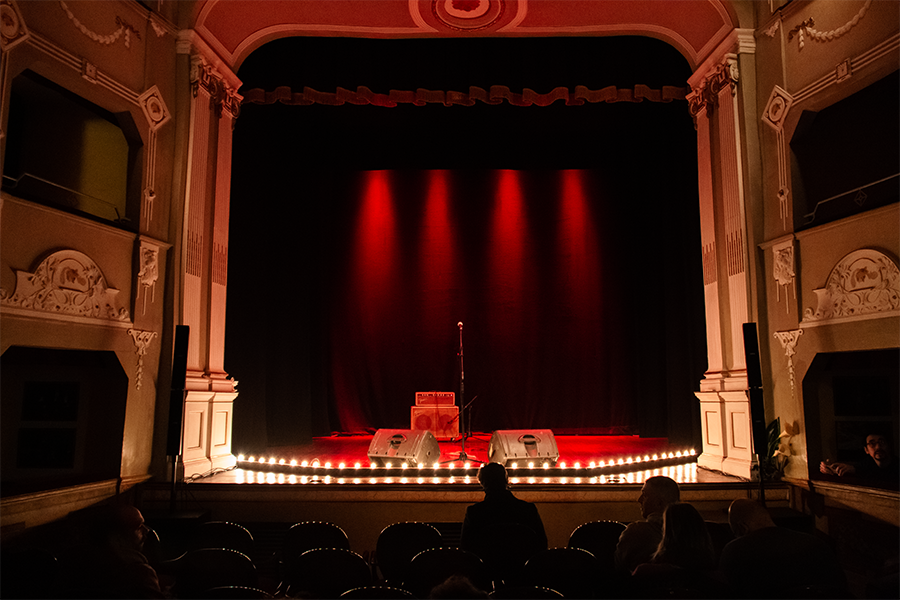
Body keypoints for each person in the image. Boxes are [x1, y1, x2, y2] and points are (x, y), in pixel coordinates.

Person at [719, 499, 849, 599]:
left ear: (742, 527)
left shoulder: (735, 551)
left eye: (735, 532)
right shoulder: (815, 544)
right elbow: (841, 588)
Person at [459, 462, 548, 552]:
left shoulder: (475, 513)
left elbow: (466, 548)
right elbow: (542, 545)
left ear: (483, 483)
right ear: (506, 480)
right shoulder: (528, 510)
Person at [614, 475, 680, 573]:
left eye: (645, 495)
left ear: (659, 503)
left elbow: (619, 566)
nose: (639, 500)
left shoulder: (636, 532)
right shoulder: (691, 533)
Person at [820, 432, 900, 482]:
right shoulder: (867, 463)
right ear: (866, 450)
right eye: (872, 443)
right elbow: (855, 467)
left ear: (888, 446)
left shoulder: (897, 465)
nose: (878, 447)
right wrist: (831, 469)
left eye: (881, 442)